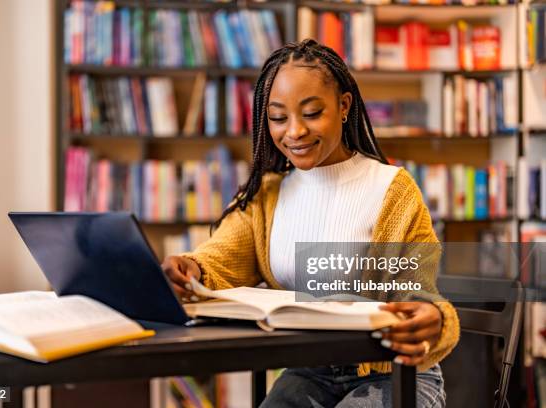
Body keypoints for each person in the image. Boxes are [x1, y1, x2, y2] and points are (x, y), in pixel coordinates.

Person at [162, 39, 459, 408]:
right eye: (278, 117)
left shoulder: (392, 190)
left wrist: (430, 316)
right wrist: (191, 268)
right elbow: (218, 258)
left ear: (344, 105)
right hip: (309, 372)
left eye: (312, 112)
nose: (295, 132)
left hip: (393, 372)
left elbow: (417, 288)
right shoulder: (267, 195)